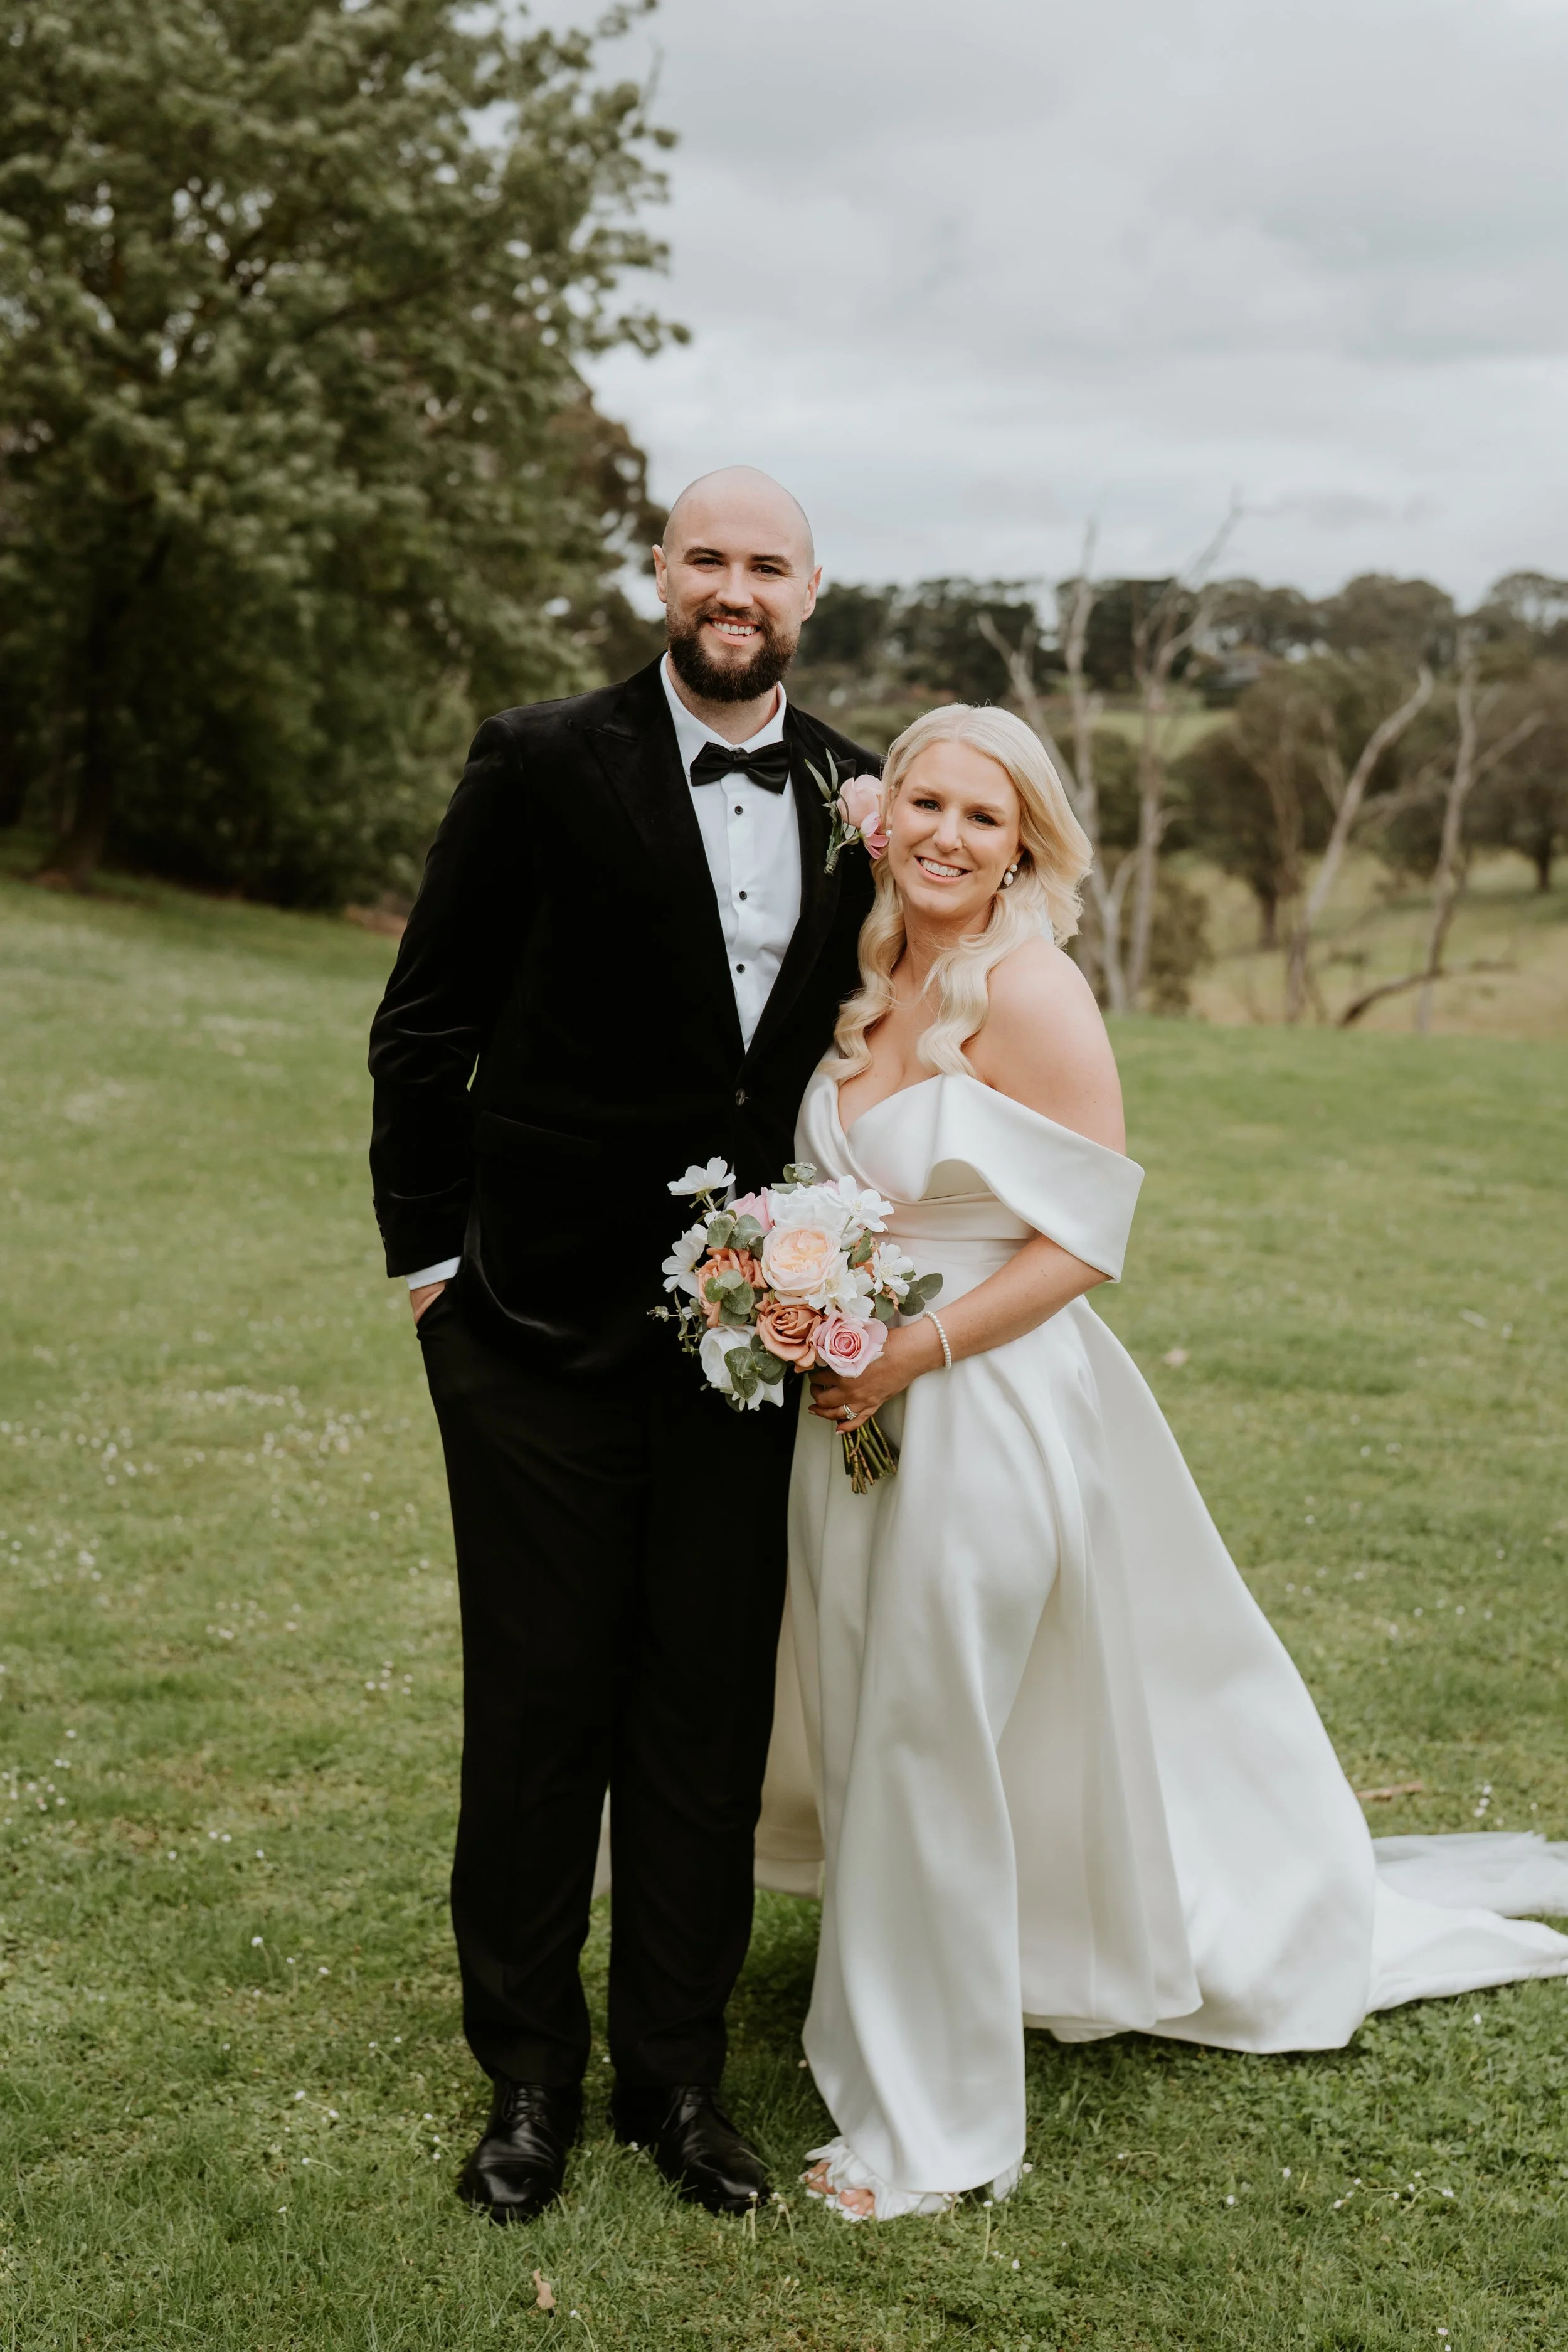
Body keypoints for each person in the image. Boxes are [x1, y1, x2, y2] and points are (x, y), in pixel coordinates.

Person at [754, 702, 1568, 2222]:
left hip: (981, 1414)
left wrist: (908, 1355)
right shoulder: (871, 977)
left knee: (928, 1734)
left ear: (1025, 846)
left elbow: (1086, 1241)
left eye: (982, 819)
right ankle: (890, 2008)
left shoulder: (1033, 989)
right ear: (883, 822)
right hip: (846, 1421)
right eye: (921, 803)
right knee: (876, 1727)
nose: (944, 835)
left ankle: (937, 2131)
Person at [367, 467, 879, 2222]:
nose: (734, 588)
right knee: (536, 1701)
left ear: (811, 592)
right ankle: (526, 2073)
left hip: (746, 1340)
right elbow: (423, 1022)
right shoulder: (536, 760)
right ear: (661, 574)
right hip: (523, 1324)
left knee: (699, 1708)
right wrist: (432, 1276)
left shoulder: (850, 787)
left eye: (767, 564)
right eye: (705, 556)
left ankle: (674, 2075)